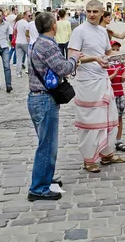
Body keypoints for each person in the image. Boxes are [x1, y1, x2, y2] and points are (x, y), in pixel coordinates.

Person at [27, 12, 81, 201]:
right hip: (44, 99)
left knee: (47, 143)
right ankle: (38, 188)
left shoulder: (37, 43)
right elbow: (64, 68)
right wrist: (75, 57)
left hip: (37, 97)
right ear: (53, 26)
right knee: (47, 145)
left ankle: (45, 178)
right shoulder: (47, 45)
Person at [68, 0, 125, 173]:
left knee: (109, 117)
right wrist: (94, 59)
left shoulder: (102, 31)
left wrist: (121, 58)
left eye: (95, 11)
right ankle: (89, 158)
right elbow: (73, 57)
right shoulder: (79, 31)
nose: (91, 14)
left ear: (102, 13)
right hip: (87, 81)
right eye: (88, 11)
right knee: (91, 121)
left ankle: (107, 154)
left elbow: (107, 53)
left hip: (103, 79)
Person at [106, 41, 125, 152]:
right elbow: (105, 79)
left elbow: (123, 74)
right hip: (110, 94)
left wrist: (123, 76)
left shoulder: (120, 63)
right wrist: (114, 74)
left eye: (117, 50)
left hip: (119, 93)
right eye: (113, 50)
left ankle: (118, 140)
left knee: (119, 117)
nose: (115, 52)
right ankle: (108, 140)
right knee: (109, 118)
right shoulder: (105, 63)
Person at [15, 12, 31, 78]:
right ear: (25, 15)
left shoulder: (18, 22)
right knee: (29, 56)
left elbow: (14, 30)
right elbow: (28, 34)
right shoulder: (27, 24)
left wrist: (16, 37)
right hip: (25, 42)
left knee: (19, 58)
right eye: (29, 15)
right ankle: (28, 70)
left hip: (18, 41)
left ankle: (18, 73)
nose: (30, 17)